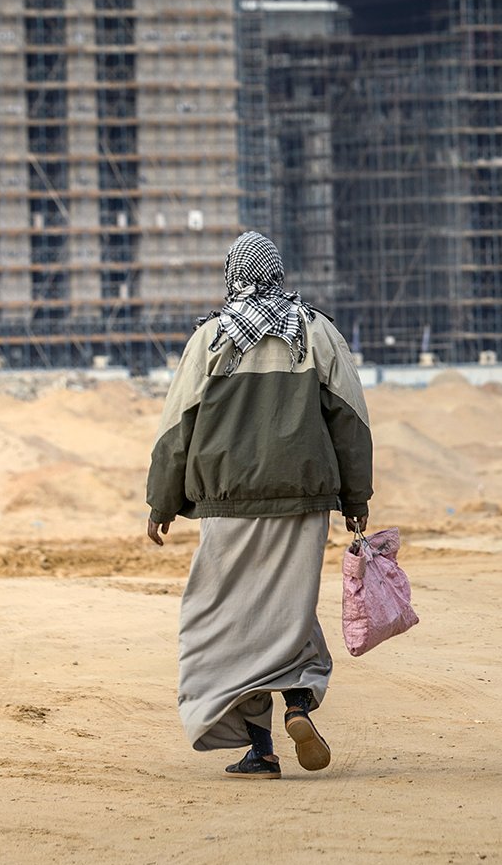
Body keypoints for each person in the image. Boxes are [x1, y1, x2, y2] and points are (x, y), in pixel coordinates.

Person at [144, 231, 373, 779]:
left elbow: (178, 424)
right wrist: (356, 497)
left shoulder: (211, 339)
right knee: (289, 608)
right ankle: (297, 703)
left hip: (227, 504)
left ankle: (261, 748)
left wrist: (162, 501)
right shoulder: (316, 331)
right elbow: (351, 418)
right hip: (303, 499)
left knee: (228, 619)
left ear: (232, 276)